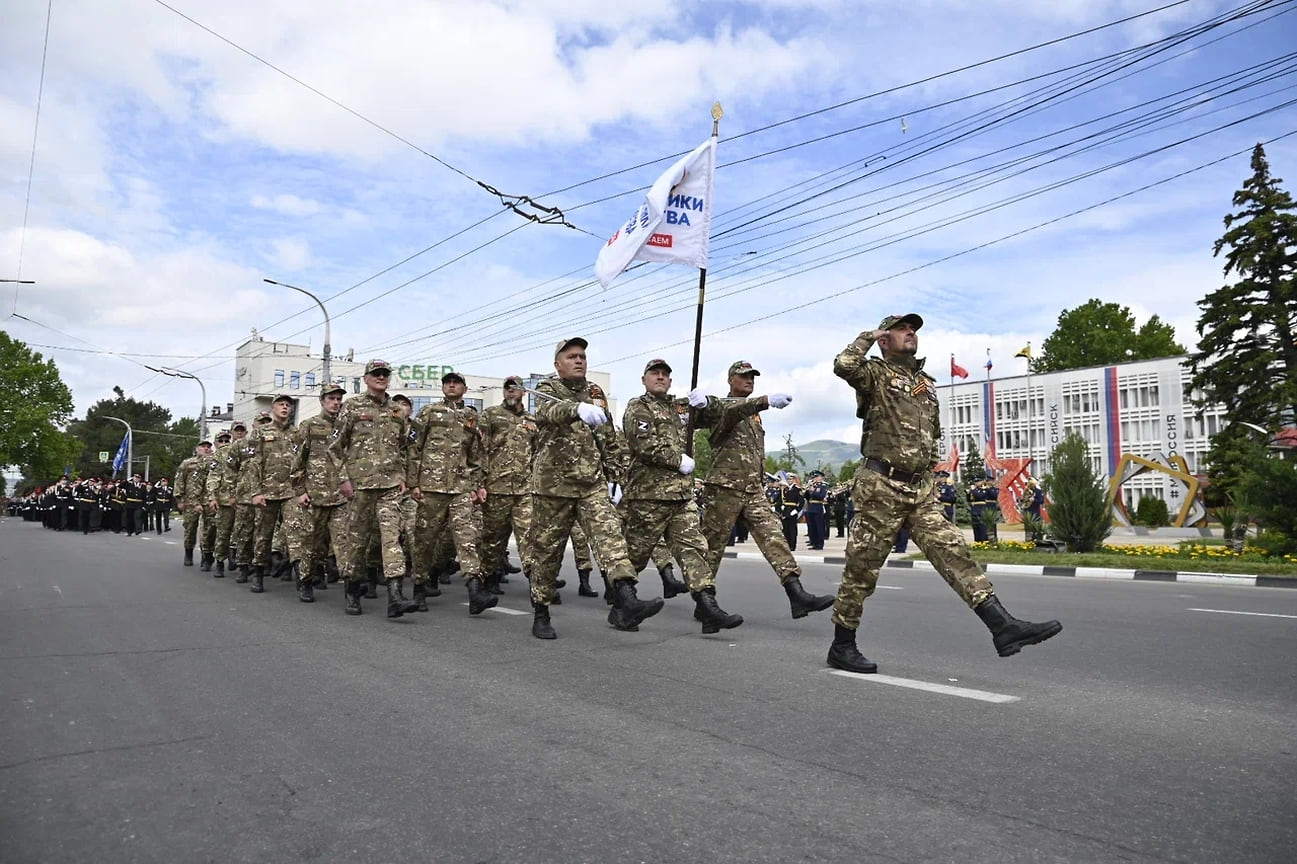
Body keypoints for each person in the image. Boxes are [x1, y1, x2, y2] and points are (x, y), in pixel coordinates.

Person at [826, 313, 1062, 673]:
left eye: (914, 330)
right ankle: (842, 646)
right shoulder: (874, 373)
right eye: (903, 328)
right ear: (886, 338)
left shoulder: (927, 383)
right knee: (862, 570)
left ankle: (1002, 626)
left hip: (919, 489)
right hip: (881, 487)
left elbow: (931, 437)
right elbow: (844, 365)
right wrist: (869, 336)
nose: (911, 333)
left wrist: (932, 478)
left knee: (953, 551)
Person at [526, 337, 663, 639]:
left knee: (612, 539)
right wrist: (576, 409)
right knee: (547, 553)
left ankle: (626, 598)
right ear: (558, 363)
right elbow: (547, 412)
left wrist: (616, 478)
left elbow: (608, 439)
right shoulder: (548, 390)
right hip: (553, 487)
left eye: (583, 356)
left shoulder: (595, 393)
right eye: (572, 356)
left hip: (591, 484)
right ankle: (541, 610)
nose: (579, 361)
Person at [694, 360, 834, 620]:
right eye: (743, 376)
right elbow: (733, 409)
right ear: (730, 381)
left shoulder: (753, 416)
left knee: (774, 538)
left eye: (752, 377)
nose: (749, 380)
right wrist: (766, 400)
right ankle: (704, 601)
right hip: (725, 488)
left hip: (752, 490)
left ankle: (796, 594)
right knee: (712, 548)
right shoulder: (721, 409)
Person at [622, 359, 741, 634]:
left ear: (671, 381)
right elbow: (644, 445)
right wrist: (678, 460)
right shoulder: (637, 407)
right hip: (649, 496)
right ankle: (622, 605)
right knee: (635, 556)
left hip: (681, 496)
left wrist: (706, 403)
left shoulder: (680, 408)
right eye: (655, 374)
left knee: (694, 550)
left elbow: (717, 416)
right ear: (644, 379)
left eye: (665, 374)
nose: (660, 378)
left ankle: (707, 606)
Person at [328, 359, 420, 619]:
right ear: (366, 378)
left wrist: (403, 476)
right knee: (357, 542)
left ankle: (395, 596)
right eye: (376, 374)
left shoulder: (396, 411)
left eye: (384, 374)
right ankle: (352, 589)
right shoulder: (353, 408)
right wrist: (343, 479)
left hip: (390, 486)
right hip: (360, 486)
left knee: (392, 539)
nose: (381, 377)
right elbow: (335, 448)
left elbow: (404, 447)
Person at [408, 370, 496, 616]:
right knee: (425, 540)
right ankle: (419, 587)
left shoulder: (471, 417)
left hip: (460, 487)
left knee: (467, 538)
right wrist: (414, 482)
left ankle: (475, 591)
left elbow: (477, 455)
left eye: (457, 383)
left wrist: (478, 484)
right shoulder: (429, 412)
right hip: (431, 486)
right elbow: (414, 447)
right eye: (448, 382)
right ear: (443, 387)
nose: (452, 385)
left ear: (465, 389)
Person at [289, 383, 350, 603]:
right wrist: (299, 491)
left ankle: (351, 590)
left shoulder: (346, 426)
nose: (336, 402)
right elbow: (297, 461)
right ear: (322, 401)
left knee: (344, 544)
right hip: (314, 497)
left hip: (342, 498)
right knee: (311, 545)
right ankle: (306, 581)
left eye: (338, 399)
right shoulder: (309, 426)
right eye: (331, 398)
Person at [479, 376, 537, 594]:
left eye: (515, 389)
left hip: (524, 490)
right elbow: (480, 450)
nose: (511, 392)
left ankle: (538, 584)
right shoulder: (491, 415)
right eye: (507, 389)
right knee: (493, 538)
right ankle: (488, 579)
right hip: (496, 487)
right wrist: (480, 483)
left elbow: (537, 452)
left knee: (530, 537)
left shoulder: (531, 420)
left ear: (523, 392)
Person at [247, 395, 298, 594]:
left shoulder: (297, 432)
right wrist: (256, 492)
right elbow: (253, 464)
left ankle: (301, 580)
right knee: (263, 535)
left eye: (288, 405)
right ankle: (258, 574)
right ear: (272, 408)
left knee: (295, 533)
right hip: (267, 492)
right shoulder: (260, 432)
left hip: (291, 491)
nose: (285, 408)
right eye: (281, 404)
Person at [175, 440, 215, 567]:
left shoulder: (214, 462)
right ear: (197, 449)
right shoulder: (188, 463)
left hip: (208, 500)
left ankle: (206, 555)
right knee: (190, 528)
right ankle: (188, 553)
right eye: (203, 447)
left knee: (208, 530)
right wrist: (180, 499)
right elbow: (179, 480)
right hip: (191, 501)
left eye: (208, 447)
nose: (206, 449)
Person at [204, 430, 237, 578]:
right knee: (223, 533)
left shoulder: (244, 450)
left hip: (243, 499)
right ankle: (219, 562)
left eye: (227, 440)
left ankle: (240, 562)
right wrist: (212, 497)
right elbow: (214, 476)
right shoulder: (219, 455)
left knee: (242, 533)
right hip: (225, 500)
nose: (224, 443)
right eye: (221, 440)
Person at [804, 470, 829, 550]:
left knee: (819, 527)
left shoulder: (823, 486)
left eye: (817, 477)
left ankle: (820, 544)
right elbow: (807, 497)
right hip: (811, 508)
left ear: (821, 478)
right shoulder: (813, 486)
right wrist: (807, 491)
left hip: (818, 507)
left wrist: (813, 491)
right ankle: (814, 542)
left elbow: (821, 496)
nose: (815, 479)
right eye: (814, 477)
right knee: (812, 527)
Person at [777, 475, 804, 551]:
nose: (789, 481)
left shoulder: (797, 489)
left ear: (794, 480)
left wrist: (796, 510)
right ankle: (787, 544)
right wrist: (780, 509)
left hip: (792, 510)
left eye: (791, 479)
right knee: (785, 529)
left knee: (792, 530)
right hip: (785, 510)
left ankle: (792, 545)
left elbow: (801, 501)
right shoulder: (785, 489)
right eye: (788, 479)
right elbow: (780, 500)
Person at [1021, 478, 1045, 542]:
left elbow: (1041, 501)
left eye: (1031, 483)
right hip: (1027, 511)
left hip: (1035, 512)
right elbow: (1023, 499)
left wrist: (1034, 500)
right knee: (1027, 528)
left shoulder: (1039, 491)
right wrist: (1023, 499)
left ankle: (1035, 540)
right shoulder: (1026, 490)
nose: (1030, 485)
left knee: (1035, 528)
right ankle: (1028, 540)